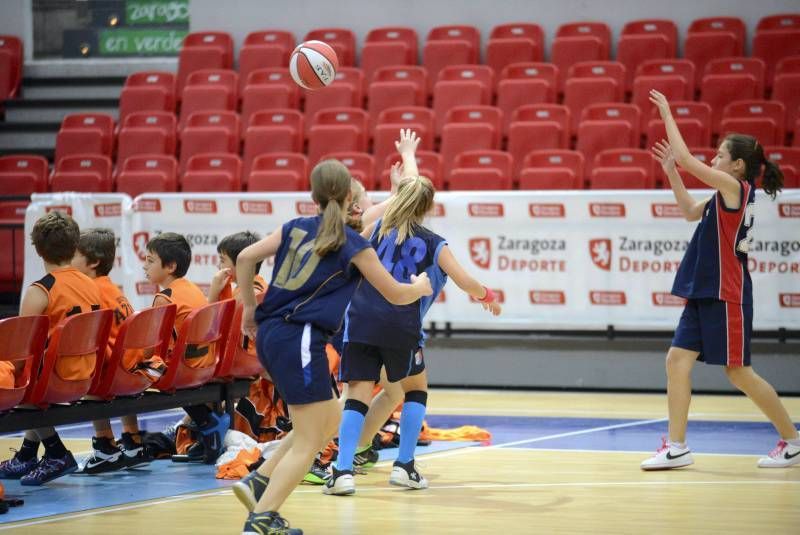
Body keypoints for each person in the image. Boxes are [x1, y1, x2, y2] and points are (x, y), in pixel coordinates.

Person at [234, 158, 433, 534]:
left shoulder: (294, 227)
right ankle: (262, 518)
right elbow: (394, 292)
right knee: (313, 437)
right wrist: (421, 288)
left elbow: (245, 258)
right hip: (301, 338)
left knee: (327, 420)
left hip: (272, 334)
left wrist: (248, 308)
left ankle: (260, 480)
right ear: (348, 198)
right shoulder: (353, 244)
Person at [641, 90, 800, 470]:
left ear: (738, 166)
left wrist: (666, 113)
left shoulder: (736, 190)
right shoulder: (719, 195)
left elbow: (685, 156)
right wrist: (671, 174)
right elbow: (687, 212)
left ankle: (793, 441)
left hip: (726, 292)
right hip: (703, 290)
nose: (713, 159)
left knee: (737, 371)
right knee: (677, 360)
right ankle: (677, 446)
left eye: (720, 156)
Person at [326, 164, 502, 497]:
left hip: (360, 320)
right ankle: (404, 466)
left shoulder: (377, 227)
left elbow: (347, 258)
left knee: (357, 394)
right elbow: (466, 281)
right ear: (428, 209)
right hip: (400, 325)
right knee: (416, 390)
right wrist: (488, 298)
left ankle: (342, 472)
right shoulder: (434, 242)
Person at [0, 212, 100, 485]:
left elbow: (19, 354)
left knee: (19, 379)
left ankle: (56, 452)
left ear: (37, 249)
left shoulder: (41, 290)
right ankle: (28, 454)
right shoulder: (91, 284)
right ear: (74, 246)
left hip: (55, 379)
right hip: (85, 373)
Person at [144, 232, 230, 464]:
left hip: (183, 370)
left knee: (138, 369)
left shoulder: (165, 297)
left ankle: (205, 421)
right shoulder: (191, 288)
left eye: (150, 260)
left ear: (170, 266)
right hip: (204, 365)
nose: (145, 266)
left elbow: (153, 346)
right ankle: (204, 426)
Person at [71, 228, 151, 474]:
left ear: (93, 262)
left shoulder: (90, 290)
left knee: (87, 368)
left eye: (74, 255)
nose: (69, 261)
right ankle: (132, 440)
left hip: (116, 373)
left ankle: (105, 444)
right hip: (135, 369)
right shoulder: (113, 289)